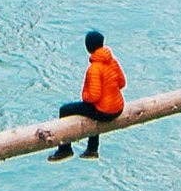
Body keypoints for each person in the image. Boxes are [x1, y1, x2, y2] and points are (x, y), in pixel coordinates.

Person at [49, 31, 126, 160]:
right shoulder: (112, 61)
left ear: (88, 47)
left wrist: (85, 95)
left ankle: (65, 149)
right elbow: (122, 83)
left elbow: (94, 97)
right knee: (93, 109)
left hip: (105, 113)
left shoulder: (94, 68)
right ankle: (92, 149)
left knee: (65, 110)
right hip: (118, 108)